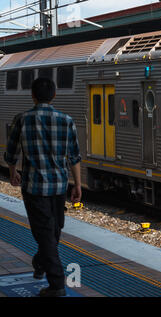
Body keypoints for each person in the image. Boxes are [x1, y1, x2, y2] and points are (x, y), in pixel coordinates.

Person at [3, 78, 82, 297]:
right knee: (52, 232)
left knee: (48, 234)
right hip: (59, 187)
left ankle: (40, 262)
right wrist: (77, 184)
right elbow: (74, 156)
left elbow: (11, 153)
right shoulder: (66, 120)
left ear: (32, 95)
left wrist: (13, 172)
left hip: (34, 188)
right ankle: (57, 284)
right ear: (55, 95)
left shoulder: (22, 120)